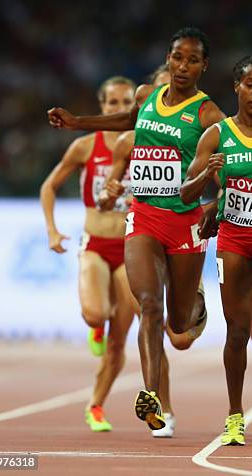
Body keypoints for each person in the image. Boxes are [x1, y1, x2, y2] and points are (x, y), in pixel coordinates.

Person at [48, 27, 226, 432]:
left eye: (192, 60)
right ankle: (150, 393)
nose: (183, 66)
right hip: (144, 216)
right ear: (168, 57)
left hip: (184, 223)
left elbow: (228, 166)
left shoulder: (208, 114)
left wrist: (219, 202)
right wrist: (78, 122)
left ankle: (196, 304)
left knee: (179, 328)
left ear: (204, 66)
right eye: (177, 57)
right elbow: (127, 120)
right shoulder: (147, 96)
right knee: (148, 303)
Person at [181, 56, 252, 446]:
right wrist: (204, 175)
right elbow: (185, 193)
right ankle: (234, 415)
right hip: (233, 236)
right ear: (237, 88)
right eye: (251, 85)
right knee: (237, 332)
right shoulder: (217, 134)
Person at [40, 76, 137, 432]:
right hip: (95, 244)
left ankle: (96, 405)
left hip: (130, 249)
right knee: (95, 314)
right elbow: (49, 186)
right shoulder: (85, 146)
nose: (120, 108)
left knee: (118, 342)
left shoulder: (144, 147)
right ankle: (95, 326)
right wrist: (51, 229)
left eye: (127, 102)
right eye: (112, 103)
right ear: (102, 106)